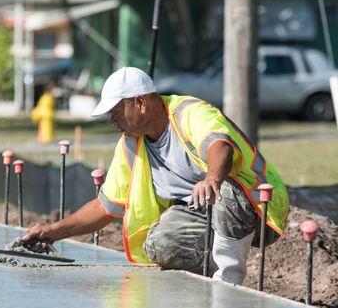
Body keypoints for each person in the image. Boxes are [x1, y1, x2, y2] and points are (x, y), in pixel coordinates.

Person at [20, 67, 290, 285]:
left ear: (139, 103)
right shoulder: (131, 144)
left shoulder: (189, 113)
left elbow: (219, 146)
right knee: (161, 243)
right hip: (202, 213)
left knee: (226, 191)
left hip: (257, 207)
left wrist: (211, 179)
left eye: (115, 112)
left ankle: (228, 286)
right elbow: (106, 206)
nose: (113, 121)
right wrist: (53, 232)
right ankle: (204, 279)